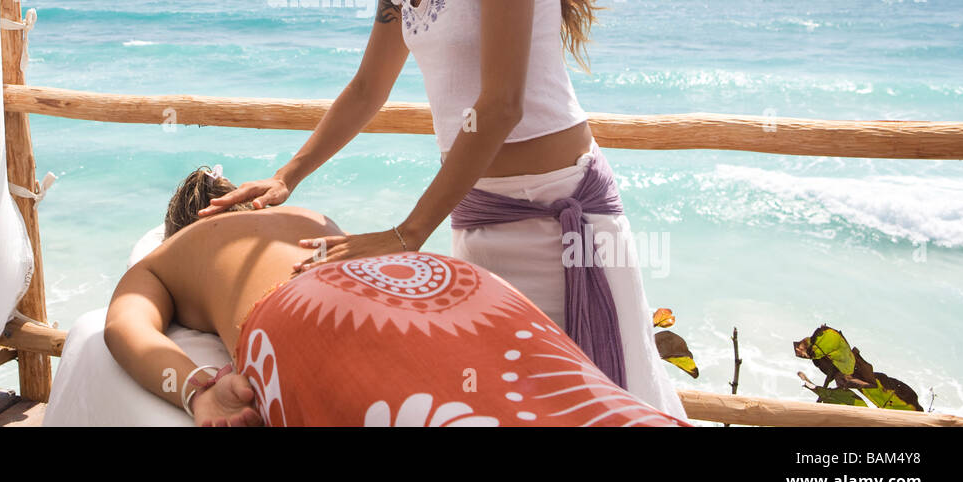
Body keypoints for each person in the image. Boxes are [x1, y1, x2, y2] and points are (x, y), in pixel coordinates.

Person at [198, 0, 686, 418]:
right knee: (507, 406)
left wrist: (406, 234)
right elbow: (369, 85)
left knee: (596, 407)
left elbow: (502, 101)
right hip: (478, 218)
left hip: (559, 222)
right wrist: (290, 176)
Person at [104, 166, 691, 427]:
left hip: (309, 311)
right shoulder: (306, 215)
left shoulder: (171, 255)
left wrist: (199, 390)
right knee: (566, 401)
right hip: (438, 279)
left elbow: (124, 327)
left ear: (178, 226)